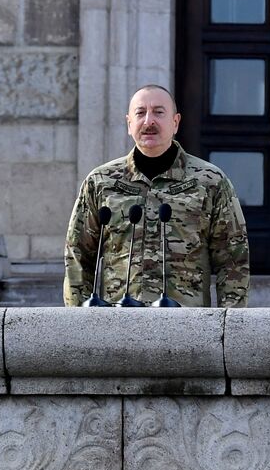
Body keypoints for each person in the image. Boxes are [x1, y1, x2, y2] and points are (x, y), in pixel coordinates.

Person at [64, 84, 250, 307]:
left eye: (159, 112)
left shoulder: (210, 181)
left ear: (175, 122)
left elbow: (233, 260)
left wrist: (227, 326)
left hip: (187, 327)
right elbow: (78, 257)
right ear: (129, 124)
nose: (149, 121)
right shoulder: (100, 182)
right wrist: (78, 323)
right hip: (117, 324)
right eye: (140, 113)